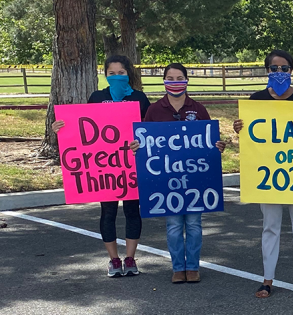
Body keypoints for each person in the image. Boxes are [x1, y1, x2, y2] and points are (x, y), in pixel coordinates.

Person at [231, 50, 293, 298]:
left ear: (291, 70)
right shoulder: (256, 100)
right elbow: (251, 138)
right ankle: (267, 279)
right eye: (274, 68)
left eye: (284, 68)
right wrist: (240, 128)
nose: (279, 73)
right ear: (266, 71)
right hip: (267, 174)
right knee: (270, 227)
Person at [51, 55, 150, 278]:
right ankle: (114, 260)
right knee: (108, 212)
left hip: (131, 165)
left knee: (133, 211)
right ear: (105, 75)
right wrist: (61, 128)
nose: (117, 77)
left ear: (129, 74)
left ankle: (131, 258)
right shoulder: (97, 97)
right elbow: (83, 127)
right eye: (111, 73)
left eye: (121, 73)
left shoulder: (140, 98)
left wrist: (140, 142)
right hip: (105, 168)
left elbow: (149, 129)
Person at [131, 63, 226, 284]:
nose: (175, 82)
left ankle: (192, 266)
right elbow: (145, 141)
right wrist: (137, 147)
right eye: (170, 78)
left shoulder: (198, 109)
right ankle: (177, 266)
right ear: (163, 81)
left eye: (180, 77)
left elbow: (210, 140)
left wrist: (218, 146)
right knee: (173, 225)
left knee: (194, 224)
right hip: (167, 181)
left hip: (195, 179)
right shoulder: (154, 110)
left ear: (187, 80)